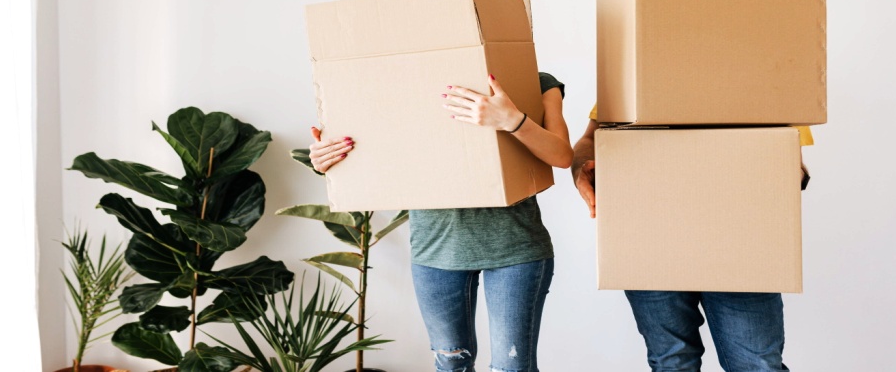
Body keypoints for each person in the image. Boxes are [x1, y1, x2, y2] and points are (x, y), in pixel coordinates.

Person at [310, 72, 572, 372]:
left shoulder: (535, 80)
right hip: (436, 251)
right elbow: (374, 147)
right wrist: (328, 158)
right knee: (450, 366)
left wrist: (511, 120)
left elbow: (562, 156)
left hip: (516, 249)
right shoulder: (399, 82)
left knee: (512, 368)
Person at [571, 105, 810, 372]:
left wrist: (783, 175)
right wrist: (581, 169)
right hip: (650, 238)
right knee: (672, 364)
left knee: (757, 366)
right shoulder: (636, 80)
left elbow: (788, 150)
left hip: (740, 242)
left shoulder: (765, 85)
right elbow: (591, 138)